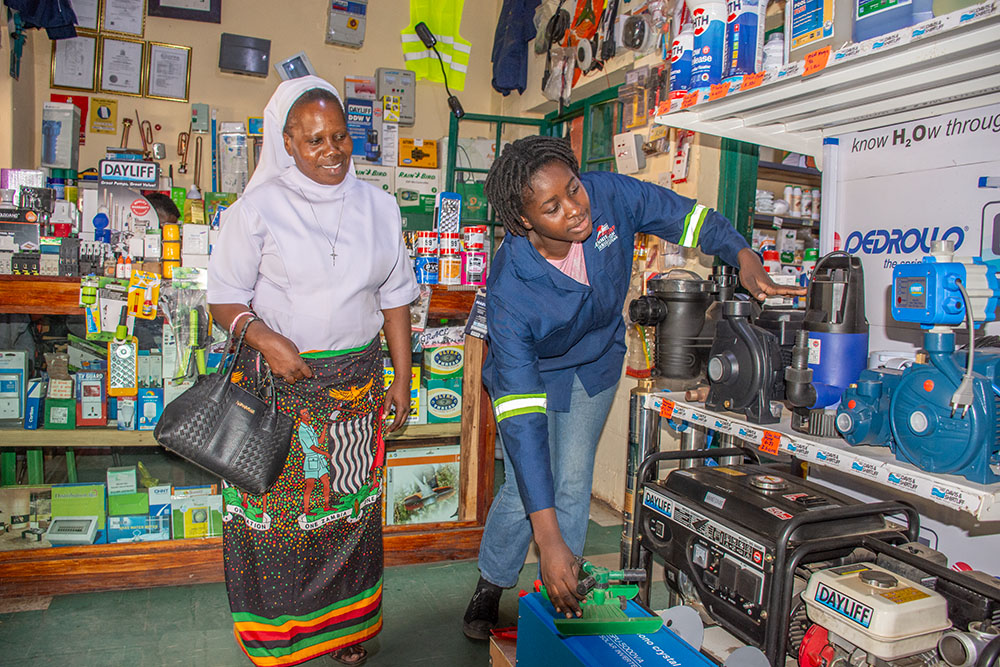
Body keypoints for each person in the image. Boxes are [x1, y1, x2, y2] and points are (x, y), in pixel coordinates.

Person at [462, 135, 805, 639]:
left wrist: (741, 251)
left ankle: (559, 596)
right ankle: (492, 582)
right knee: (524, 488)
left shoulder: (610, 197)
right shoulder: (510, 289)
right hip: (532, 371)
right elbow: (523, 422)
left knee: (573, 481)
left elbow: (687, 217)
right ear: (525, 221)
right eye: (552, 207)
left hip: (595, 365)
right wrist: (546, 535)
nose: (575, 209)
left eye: (574, 190)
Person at [208, 75, 419, 666]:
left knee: (348, 513)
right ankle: (281, 640)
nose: (331, 151)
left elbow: (395, 297)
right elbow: (223, 297)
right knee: (277, 522)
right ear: (289, 144)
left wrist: (402, 378)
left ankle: (347, 632)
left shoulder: (380, 206)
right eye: (315, 140)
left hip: (354, 390)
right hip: (280, 386)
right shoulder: (257, 209)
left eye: (341, 136)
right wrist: (266, 337)